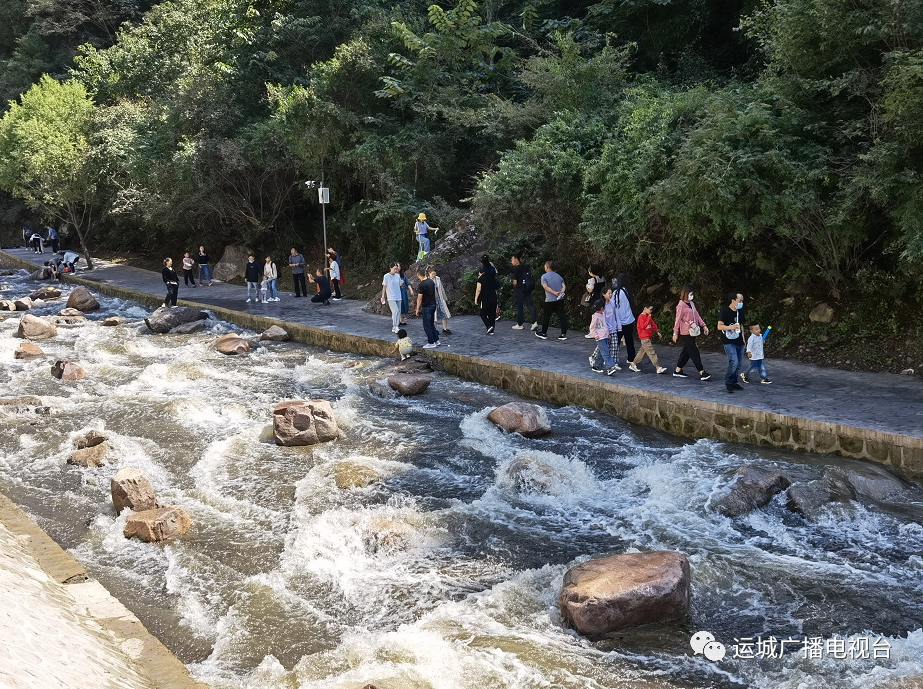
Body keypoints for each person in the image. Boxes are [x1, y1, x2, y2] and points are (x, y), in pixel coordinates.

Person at [672, 284, 711, 380]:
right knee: (693, 351)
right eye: (690, 293)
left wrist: (703, 325)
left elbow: (696, 315)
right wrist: (675, 332)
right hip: (686, 332)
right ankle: (701, 371)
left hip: (693, 330)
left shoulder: (691, 303)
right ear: (686, 293)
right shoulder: (681, 305)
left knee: (687, 351)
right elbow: (677, 319)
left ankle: (678, 370)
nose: (691, 295)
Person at [718, 292, 746, 393]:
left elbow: (741, 325)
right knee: (734, 361)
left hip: (739, 340)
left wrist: (744, 339)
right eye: (740, 301)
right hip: (728, 340)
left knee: (738, 364)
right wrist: (731, 327)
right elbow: (719, 326)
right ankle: (728, 381)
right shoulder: (725, 312)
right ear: (733, 300)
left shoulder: (740, 312)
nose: (741, 303)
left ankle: (734, 382)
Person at [629, 304, 668, 373]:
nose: (650, 311)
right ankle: (657, 367)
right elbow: (643, 326)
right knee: (651, 352)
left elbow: (652, 324)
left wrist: (657, 331)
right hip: (644, 337)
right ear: (645, 308)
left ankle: (633, 364)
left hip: (646, 337)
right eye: (649, 309)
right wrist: (648, 318)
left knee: (642, 352)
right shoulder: (641, 317)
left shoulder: (647, 317)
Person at [535, 261, 568, 340]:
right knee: (562, 317)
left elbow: (545, 287)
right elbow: (563, 286)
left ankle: (544, 333)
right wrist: (561, 292)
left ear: (546, 266)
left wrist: (554, 292)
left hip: (549, 300)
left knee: (546, 317)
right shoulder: (558, 276)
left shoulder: (544, 276)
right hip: (559, 300)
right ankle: (563, 334)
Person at [589, 299, 619, 375]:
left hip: (604, 336)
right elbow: (592, 328)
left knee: (601, 352)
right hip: (600, 337)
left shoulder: (602, 314)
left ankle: (596, 365)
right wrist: (595, 335)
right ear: (602, 307)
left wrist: (608, 331)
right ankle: (610, 367)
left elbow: (604, 324)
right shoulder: (595, 316)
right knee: (605, 352)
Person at [612, 273, 636, 365]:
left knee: (616, 342)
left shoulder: (616, 292)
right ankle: (631, 358)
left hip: (619, 321)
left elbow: (613, 305)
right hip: (629, 320)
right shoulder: (628, 291)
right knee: (629, 340)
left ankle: (613, 359)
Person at [414, 267, 440, 348]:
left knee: (427, 325)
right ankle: (436, 340)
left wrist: (417, 308)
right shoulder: (431, 281)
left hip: (427, 306)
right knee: (431, 324)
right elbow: (434, 293)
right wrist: (435, 301)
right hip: (433, 305)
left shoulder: (421, 285)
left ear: (418, 275)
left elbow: (419, 298)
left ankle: (431, 342)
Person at [510, 255, 538, 330]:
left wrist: (514, 286)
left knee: (519, 306)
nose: (511, 262)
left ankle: (520, 324)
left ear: (516, 260)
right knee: (529, 305)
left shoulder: (516, 269)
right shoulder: (525, 267)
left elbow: (515, 281)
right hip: (527, 289)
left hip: (519, 289)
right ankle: (534, 322)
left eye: (512, 260)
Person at [474, 255, 498, 335]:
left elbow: (478, 289)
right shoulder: (492, 277)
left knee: (483, 313)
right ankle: (492, 329)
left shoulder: (481, 278)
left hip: (485, 298)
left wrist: (476, 299)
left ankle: (488, 326)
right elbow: (497, 286)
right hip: (493, 297)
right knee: (492, 314)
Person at [428, 266, 452, 335]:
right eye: (432, 274)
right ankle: (434, 329)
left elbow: (441, 289)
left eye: (434, 274)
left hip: (439, 298)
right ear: (429, 273)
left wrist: (445, 298)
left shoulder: (437, 279)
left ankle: (444, 328)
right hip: (432, 300)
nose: (434, 275)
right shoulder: (428, 281)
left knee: (443, 313)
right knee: (434, 316)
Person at [381, 263, 403, 333]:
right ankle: (395, 326)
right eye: (394, 269)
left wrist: (401, 283)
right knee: (395, 311)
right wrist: (383, 297)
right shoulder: (386, 276)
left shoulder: (397, 276)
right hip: (391, 297)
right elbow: (384, 287)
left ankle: (396, 326)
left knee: (398, 311)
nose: (396, 270)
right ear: (391, 268)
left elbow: (398, 285)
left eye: (397, 269)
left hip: (398, 296)